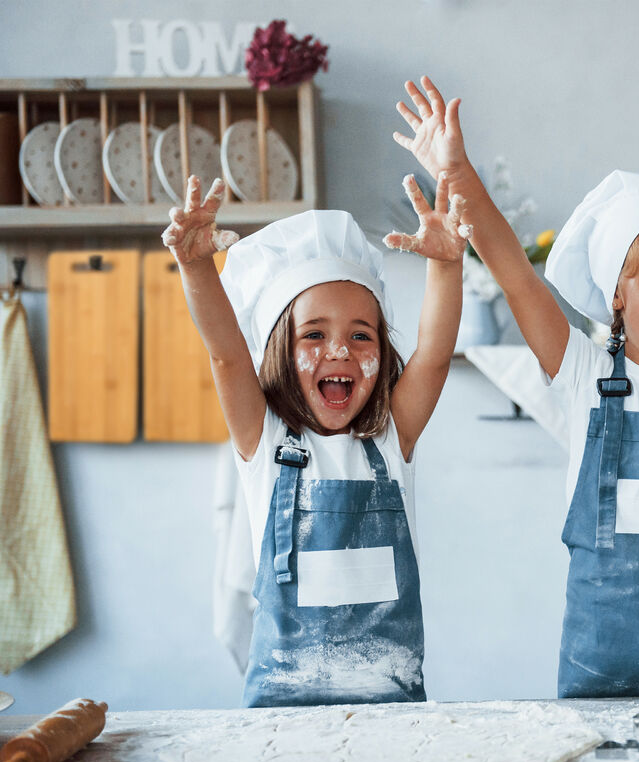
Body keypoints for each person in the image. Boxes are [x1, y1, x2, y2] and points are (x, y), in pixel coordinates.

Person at [392, 76, 639, 698]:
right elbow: (514, 273)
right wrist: (462, 174)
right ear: (616, 292)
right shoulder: (583, 375)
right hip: (595, 687)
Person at [161, 172, 471, 706]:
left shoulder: (392, 440)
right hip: (282, 715)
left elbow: (436, 355)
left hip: (392, 716)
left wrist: (446, 265)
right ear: (281, 349)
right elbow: (226, 353)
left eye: (360, 334)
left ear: (380, 355)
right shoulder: (266, 440)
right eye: (314, 334)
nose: (340, 351)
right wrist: (195, 268)